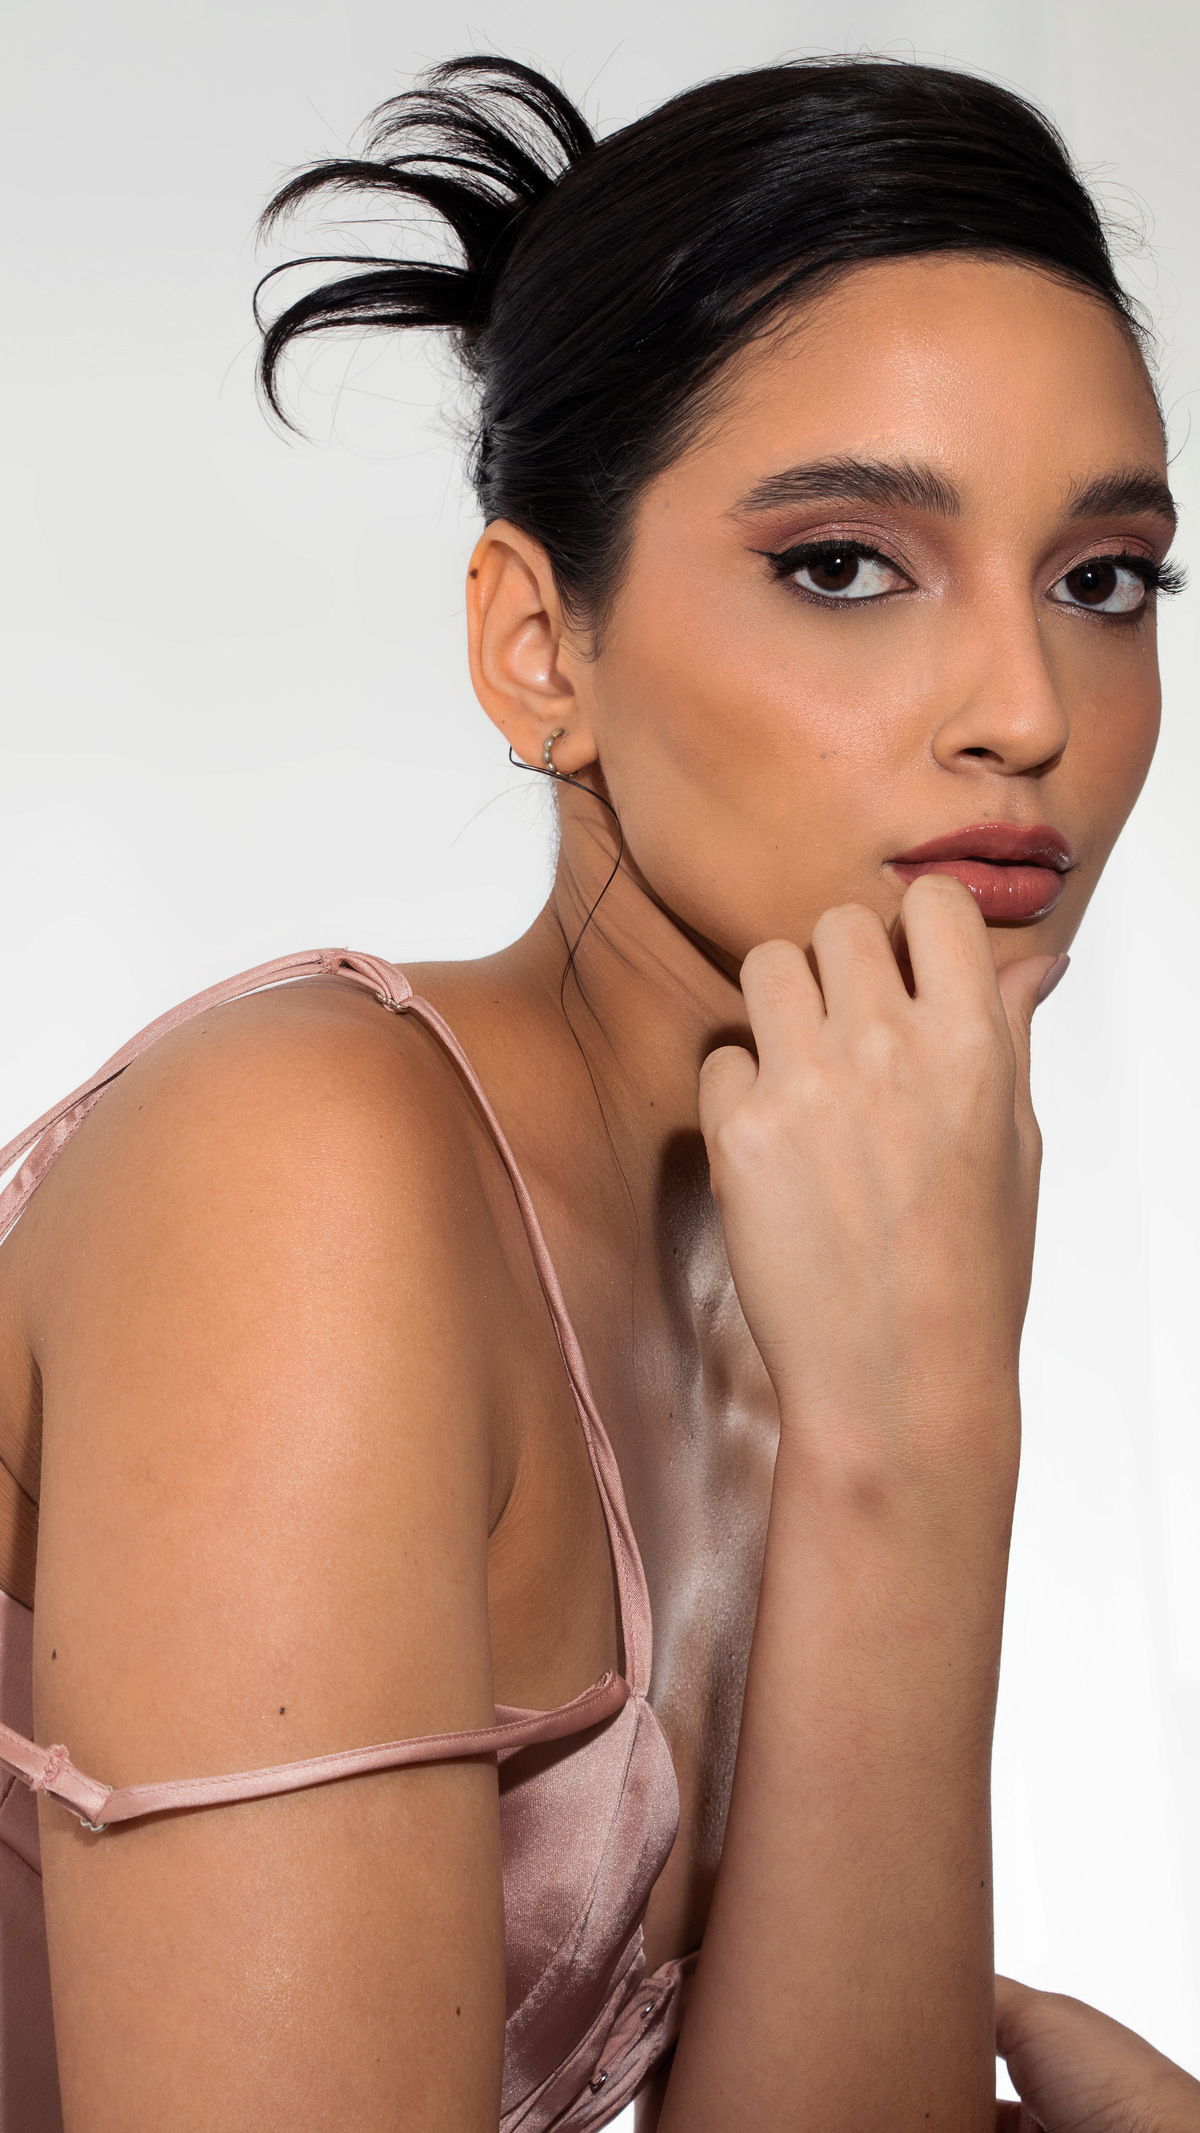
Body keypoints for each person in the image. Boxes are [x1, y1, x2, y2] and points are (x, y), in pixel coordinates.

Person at [0, 49, 1196, 2133]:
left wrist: (917, 1439)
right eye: (847, 562)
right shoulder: (308, 1173)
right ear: (540, 646)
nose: (1029, 712)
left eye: (1102, 579)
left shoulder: (853, 1246)